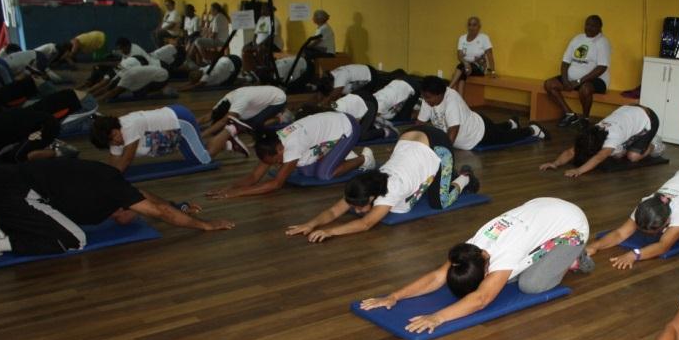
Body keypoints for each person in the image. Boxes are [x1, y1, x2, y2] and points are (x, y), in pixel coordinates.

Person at [359, 197, 594, 333]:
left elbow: (482, 299)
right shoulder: (471, 248)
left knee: (531, 284)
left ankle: (574, 256)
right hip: (544, 208)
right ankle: (549, 252)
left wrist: (437, 317)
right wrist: (394, 296)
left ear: (486, 268)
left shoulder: (506, 253)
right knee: (507, 278)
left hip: (571, 226)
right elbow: (436, 277)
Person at [0, 158, 235, 264]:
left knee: (51, 219)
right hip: (11, 194)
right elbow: (158, 211)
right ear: (125, 206)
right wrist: (205, 225)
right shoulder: (116, 192)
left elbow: (153, 200)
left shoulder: (114, 183)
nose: (134, 218)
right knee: (73, 240)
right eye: (136, 214)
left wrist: (178, 204)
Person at [286, 126, 480, 242]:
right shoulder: (363, 184)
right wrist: (310, 224)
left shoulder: (391, 189)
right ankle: (443, 174)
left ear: (372, 197)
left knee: (440, 201)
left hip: (437, 144)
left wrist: (330, 231)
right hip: (411, 137)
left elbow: (366, 223)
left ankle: (465, 177)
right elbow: (334, 211)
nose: (358, 210)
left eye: (360, 207)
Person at [586, 163, 679, 268]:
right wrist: (595, 246)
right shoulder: (646, 205)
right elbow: (620, 233)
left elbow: (664, 246)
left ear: (668, 221)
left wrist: (634, 255)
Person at [205, 111, 373, 199]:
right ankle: (338, 153)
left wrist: (238, 193)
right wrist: (230, 187)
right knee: (306, 171)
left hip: (347, 127)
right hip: (329, 130)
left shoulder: (292, 145)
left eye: (277, 161)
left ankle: (363, 159)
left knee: (324, 174)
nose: (278, 164)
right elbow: (255, 176)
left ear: (279, 150)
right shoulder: (272, 144)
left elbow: (276, 184)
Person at [89, 105, 249, 172]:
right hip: (170, 122)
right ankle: (227, 142)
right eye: (111, 141)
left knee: (203, 160)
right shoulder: (114, 132)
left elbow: (126, 160)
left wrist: (109, 178)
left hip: (181, 121)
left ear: (115, 127)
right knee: (194, 153)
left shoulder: (128, 127)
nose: (116, 141)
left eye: (114, 136)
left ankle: (231, 128)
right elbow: (114, 160)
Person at [417, 75, 546, 150]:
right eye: (424, 96)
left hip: (478, 134)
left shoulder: (451, 100)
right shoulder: (428, 99)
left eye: (428, 97)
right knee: (498, 130)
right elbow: (420, 124)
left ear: (440, 94)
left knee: (504, 138)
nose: (426, 100)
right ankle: (511, 123)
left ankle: (533, 129)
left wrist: (443, 153)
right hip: (477, 124)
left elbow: (453, 130)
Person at [539, 104, 661, 177]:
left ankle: (653, 144)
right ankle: (631, 139)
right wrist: (555, 163)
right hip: (630, 109)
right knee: (617, 154)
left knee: (632, 157)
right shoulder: (592, 132)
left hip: (648, 118)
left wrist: (578, 170)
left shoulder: (612, 138)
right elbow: (571, 152)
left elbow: (599, 157)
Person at [0, 104, 78, 167]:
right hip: (33, 128)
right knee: (5, 156)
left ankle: (59, 150)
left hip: (45, 126)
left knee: (18, 157)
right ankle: (44, 145)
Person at [543, 15, 611, 127]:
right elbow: (565, 62)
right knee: (549, 84)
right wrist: (565, 80)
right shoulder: (577, 39)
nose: (589, 27)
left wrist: (579, 81)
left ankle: (585, 118)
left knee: (585, 89)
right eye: (587, 24)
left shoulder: (602, 42)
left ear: (600, 27)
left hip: (597, 80)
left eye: (593, 25)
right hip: (573, 79)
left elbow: (602, 67)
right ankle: (569, 114)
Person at [329, 76, 422, 141]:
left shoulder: (379, 106)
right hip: (396, 82)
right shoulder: (331, 108)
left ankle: (386, 131)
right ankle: (416, 104)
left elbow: (358, 122)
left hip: (412, 85)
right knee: (390, 115)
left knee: (360, 135)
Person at [200, 85, 288, 136]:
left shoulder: (240, 102)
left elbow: (224, 121)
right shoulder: (226, 99)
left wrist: (202, 135)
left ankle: (281, 117)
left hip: (278, 99)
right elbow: (207, 116)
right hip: (264, 97)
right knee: (222, 126)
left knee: (255, 124)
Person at [89, 57, 170, 102]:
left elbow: (113, 91)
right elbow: (107, 88)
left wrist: (96, 101)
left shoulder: (127, 77)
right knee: (133, 89)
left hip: (162, 78)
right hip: (157, 72)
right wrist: (90, 97)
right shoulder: (120, 74)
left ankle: (158, 91)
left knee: (139, 95)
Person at [449, 16, 495, 95]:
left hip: (479, 67)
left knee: (461, 68)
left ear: (479, 27)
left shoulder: (484, 38)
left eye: (474, 25)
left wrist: (493, 71)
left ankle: (448, 89)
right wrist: (466, 63)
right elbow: (459, 56)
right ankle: (460, 101)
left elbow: (490, 55)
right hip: (466, 67)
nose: (471, 27)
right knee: (463, 71)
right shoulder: (462, 38)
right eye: (469, 25)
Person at [317, 64, 396, 104]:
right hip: (364, 84)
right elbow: (331, 97)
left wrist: (321, 105)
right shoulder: (331, 78)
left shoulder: (340, 75)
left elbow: (334, 95)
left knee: (390, 81)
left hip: (370, 77)